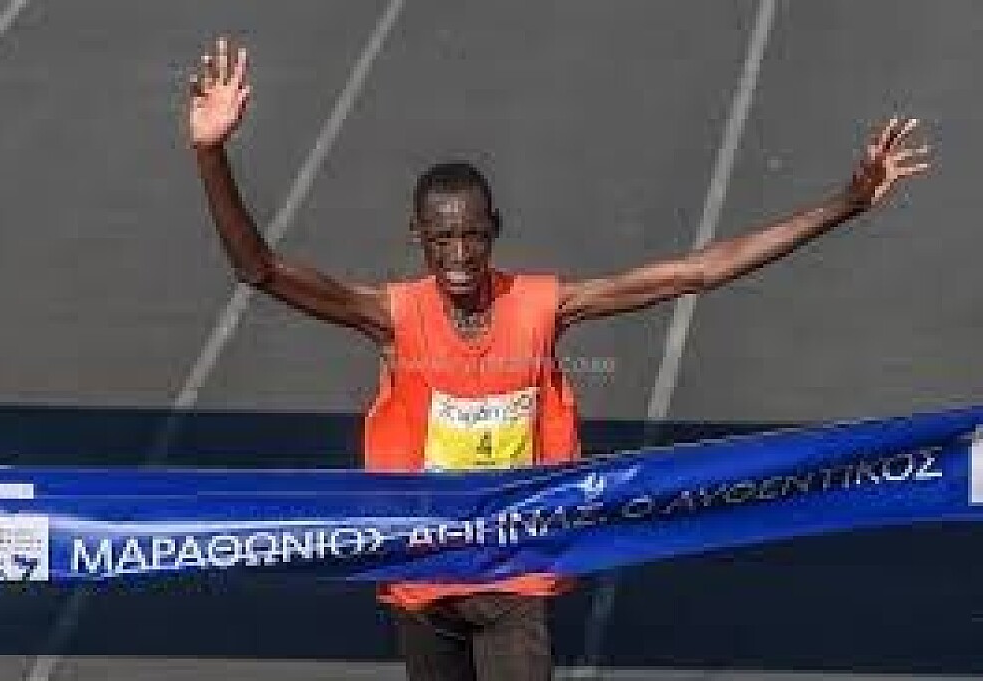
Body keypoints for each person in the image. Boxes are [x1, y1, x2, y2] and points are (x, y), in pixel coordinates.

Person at [187, 36, 929, 681]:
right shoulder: (393, 316)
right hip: (424, 566)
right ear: (418, 238)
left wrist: (846, 202)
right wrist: (210, 151)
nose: (458, 255)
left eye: (473, 236)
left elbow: (697, 271)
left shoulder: (543, 305)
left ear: (495, 230)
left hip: (515, 568)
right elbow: (260, 268)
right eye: (442, 239)